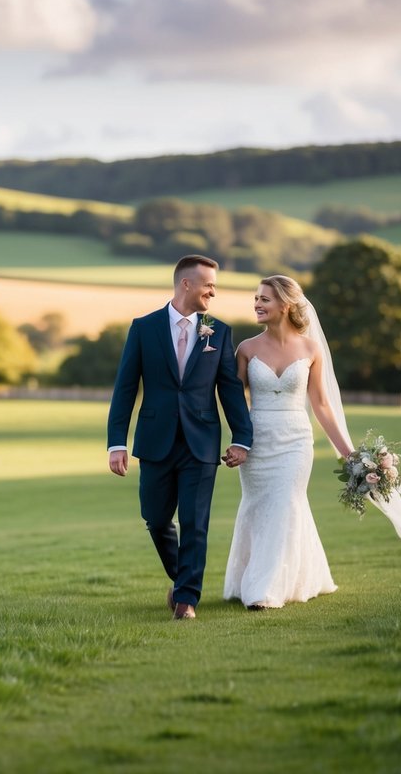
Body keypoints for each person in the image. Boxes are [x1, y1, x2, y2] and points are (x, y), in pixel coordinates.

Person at [107, 255, 254, 620]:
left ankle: (187, 599)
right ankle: (182, 576)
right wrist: (117, 442)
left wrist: (241, 438)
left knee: (195, 521)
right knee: (156, 518)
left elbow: (230, 390)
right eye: (209, 286)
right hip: (156, 440)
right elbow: (125, 388)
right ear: (186, 284)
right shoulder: (143, 328)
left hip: (201, 442)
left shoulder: (218, 332)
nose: (213, 293)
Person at [222, 275, 355, 610]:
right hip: (258, 441)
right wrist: (239, 442)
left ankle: (265, 590)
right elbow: (234, 402)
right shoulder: (247, 349)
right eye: (255, 298)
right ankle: (259, 579)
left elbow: (322, 405)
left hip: (296, 441)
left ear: (285, 304)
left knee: (286, 504)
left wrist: (349, 454)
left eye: (264, 299)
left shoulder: (311, 350)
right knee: (258, 507)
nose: (257, 304)